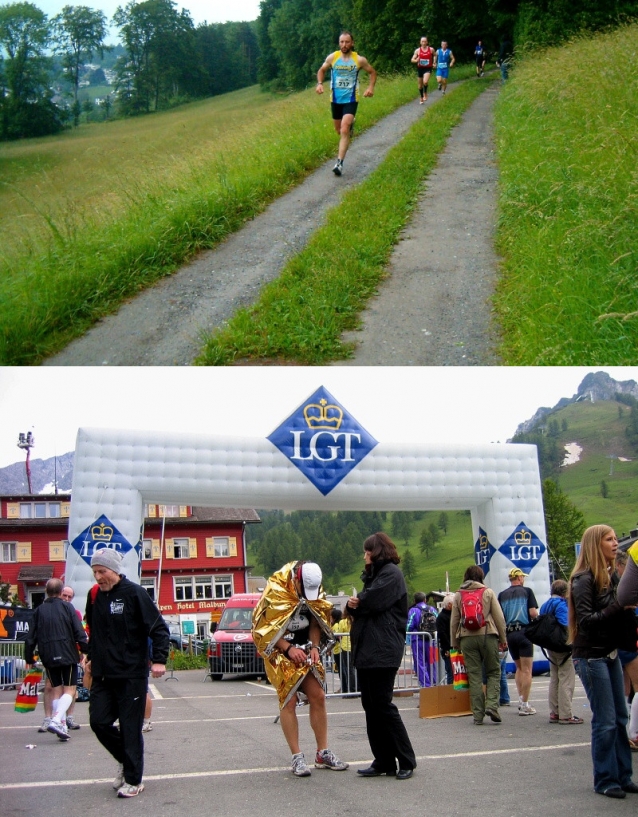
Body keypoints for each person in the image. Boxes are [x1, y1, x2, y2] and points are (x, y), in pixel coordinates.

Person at [86, 547, 169, 798]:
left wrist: (159, 660)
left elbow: (159, 629)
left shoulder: (135, 594)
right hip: (102, 673)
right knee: (98, 722)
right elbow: (95, 631)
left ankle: (134, 779)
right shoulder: (94, 596)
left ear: (115, 570)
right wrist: (89, 656)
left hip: (130, 674)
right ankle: (125, 759)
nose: (98, 577)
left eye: (102, 571)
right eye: (95, 572)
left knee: (130, 728)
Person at [252, 560, 348, 777]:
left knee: (319, 696)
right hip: (280, 652)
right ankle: (297, 757)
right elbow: (262, 629)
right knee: (290, 700)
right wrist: (287, 649)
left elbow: (316, 621)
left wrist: (315, 647)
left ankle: (322, 752)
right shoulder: (276, 590)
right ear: (297, 580)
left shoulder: (315, 588)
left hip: (305, 649)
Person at [569, 525, 638, 798]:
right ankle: (605, 779)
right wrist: (618, 607)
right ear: (595, 544)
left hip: (611, 652)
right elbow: (585, 621)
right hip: (591, 656)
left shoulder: (612, 576)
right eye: (609, 539)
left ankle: (623, 775)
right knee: (606, 720)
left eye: (614, 539)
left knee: (620, 717)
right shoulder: (583, 579)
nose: (615, 544)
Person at [346, 532, 416, 780]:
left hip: (383, 649)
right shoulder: (376, 576)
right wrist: (354, 604)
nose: (364, 555)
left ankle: (406, 759)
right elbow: (358, 605)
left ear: (377, 552)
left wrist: (357, 602)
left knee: (383, 705)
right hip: (368, 649)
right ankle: (384, 759)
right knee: (371, 706)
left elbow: (369, 602)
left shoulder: (391, 574)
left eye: (367, 551)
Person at [24, 578, 88, 742]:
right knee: (70, 690)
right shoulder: (68, 608)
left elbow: (30, 637)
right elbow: (78, 631)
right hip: (67, 653)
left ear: (46, 591)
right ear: (61, 593)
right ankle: (56, 719)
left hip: (48, 654)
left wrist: (29, 656)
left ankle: (62, 726)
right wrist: (87, 651)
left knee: (56, 690)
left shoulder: (39, 611)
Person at [451, 565, 507, 725]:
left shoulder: (458, 595)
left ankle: (477, 715)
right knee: (493, 672)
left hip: (466, 638)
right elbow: (499, 618)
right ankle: (492, 706)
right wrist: (503, 639)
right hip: (487, 635)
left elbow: (454, 621)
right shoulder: (488, 592)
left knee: (474, 675)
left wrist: (455, 643)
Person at [316, 31, 377, 177]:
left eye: (347, 42)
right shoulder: (333, 57)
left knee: (344, 129)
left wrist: (370, 88)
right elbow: (322, 70)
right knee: (339, 130)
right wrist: (319, 83)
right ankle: (349, 125)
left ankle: (339, 163)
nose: (344, 45)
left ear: (352, 43)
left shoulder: (359, 60)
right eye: (342, 42)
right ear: (339, 43)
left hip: (351, 100)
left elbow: (372, 72)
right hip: (336, 100)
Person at [540, 579, 583, 725]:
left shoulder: (545, 605)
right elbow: (566, 624)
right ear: (565, 592)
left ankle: (555, 711)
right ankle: (566, 714)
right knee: (566, 678)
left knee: (554, 678)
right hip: (562, 646)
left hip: (550, 645)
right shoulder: (561, 605)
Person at [498, 567, 539, 715]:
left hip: (509, 634)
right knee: (527, 670)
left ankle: (521, 699)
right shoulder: (527, 591)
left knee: (519, 668)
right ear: (520, 578)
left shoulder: (502, 595)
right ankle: (524, 703)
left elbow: (500, 617)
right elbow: (533, 613)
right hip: (524, 632)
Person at [614, 550, 638, 750]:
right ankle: (633, 732)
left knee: (627, 684)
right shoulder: (619, 583)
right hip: (626, 639)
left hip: (620, 639)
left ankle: (628, 727)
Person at [407, 592, 436, 686]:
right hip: (431, 640)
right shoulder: (432, 609)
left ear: (415, 601)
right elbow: (437, 623)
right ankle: (434, 683)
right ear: (425, 600)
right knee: (432, 662)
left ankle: (425, 685)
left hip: (417, 640)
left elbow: (409, 626)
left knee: (420, 663)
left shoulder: (413, 610)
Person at [331, 607, 356, 693]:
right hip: (353, 646)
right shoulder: (355, 620)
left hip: (345, 647)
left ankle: (351, 690)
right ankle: (355, 688)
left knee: (349, 670)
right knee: (353, 669)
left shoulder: (343, 622)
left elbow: (338, 634)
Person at [411, 36, 435, 104]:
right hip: (420, 69)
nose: (423, 43)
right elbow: (412, 60)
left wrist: (434, 62)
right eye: (422, 41)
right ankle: (421, 97)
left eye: (425, 41)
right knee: (420, 86)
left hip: (427, 68)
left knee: (425, 81)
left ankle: (425, 93)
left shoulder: (431, 49)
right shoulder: (417, 50)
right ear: (420, 42)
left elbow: (435, 55)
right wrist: (416, 60)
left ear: (427, 42)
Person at [436, 594, 454, 684]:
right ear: (449, 604)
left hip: (453, 647)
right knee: (451, 672)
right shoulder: (442, 617)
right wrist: (447, 648)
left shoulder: (451, 615)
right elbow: (442, 634)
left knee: (454, 672)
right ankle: (450, 692)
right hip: (448, 648)